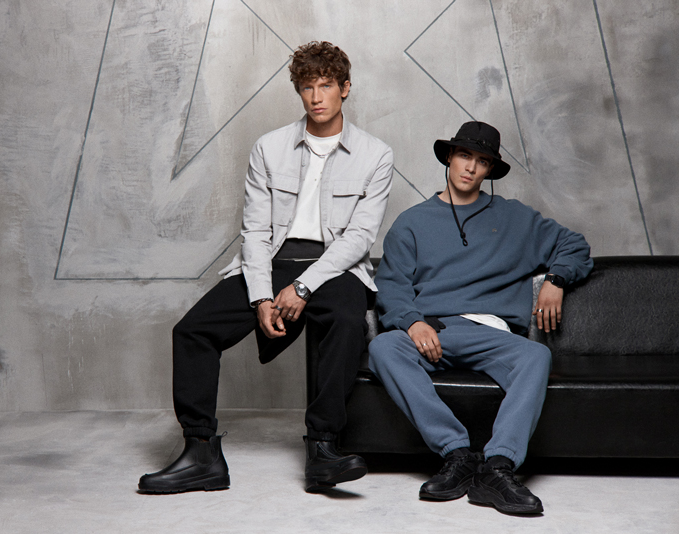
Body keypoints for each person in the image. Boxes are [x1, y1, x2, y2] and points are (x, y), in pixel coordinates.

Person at [138, 41, 394, 494]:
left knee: (347, 318)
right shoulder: (269, 147)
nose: (316, 97)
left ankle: (323, 447)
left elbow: (358, 238)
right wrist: (260, 296)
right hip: (271, 262)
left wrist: (303, 287)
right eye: (307, 87)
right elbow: (254, 231)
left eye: (326, 86)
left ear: (345, 88)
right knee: (192, 331)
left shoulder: (376, 154)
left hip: (334, 267)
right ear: (298, 91)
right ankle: (200, 452)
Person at [368, 121, 593, 514]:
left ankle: (497, 468)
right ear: (449, 158)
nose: (471, 167)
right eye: (464, 155)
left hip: (491, 334)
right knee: (384, 347)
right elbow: (391, 286)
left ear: (490, 170)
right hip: (434, 330)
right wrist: (413, 322)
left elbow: (573, 244)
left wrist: (556, 279)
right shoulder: (412, 222)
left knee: (536, 355)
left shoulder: (514, 218)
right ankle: (456, 455)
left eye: (482, 161)